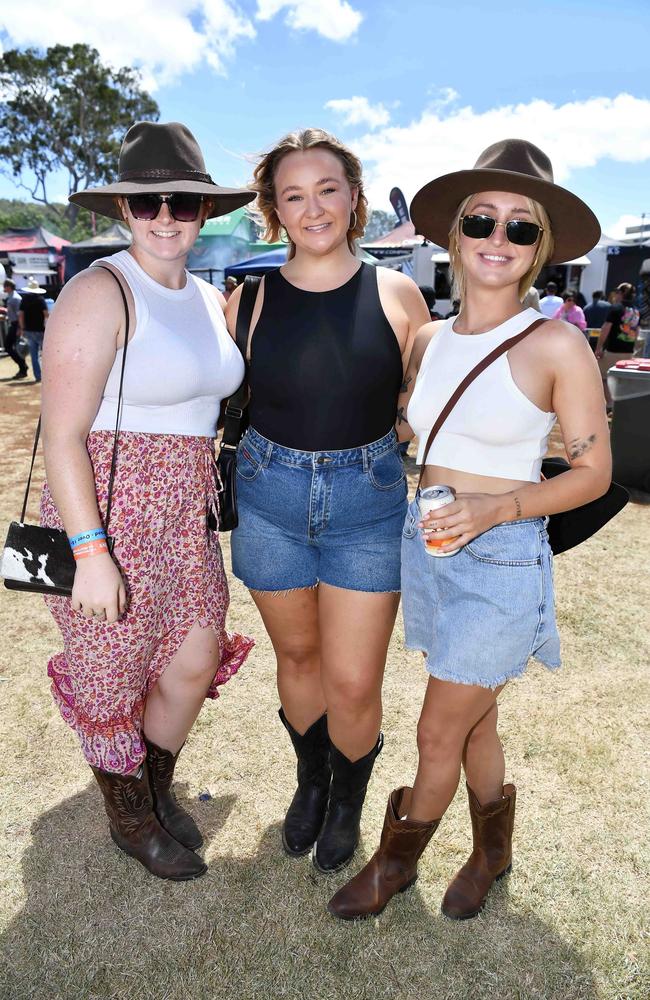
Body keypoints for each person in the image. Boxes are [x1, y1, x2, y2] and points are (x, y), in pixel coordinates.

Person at [329, 138, 610, 921]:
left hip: (503, 564)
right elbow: (417, 431)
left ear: (540, 248)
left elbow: (591, 474)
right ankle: (494, 849)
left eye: (522, 228)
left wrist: (494, 507)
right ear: (454, 235)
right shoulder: (427, 340)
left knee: (434, 731)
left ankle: (393, 867)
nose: (499, 238)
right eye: (482, 220)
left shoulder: (557, 345)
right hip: (428, 553)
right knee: (474, 716)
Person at [39, 121, 255, 881]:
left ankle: (153, 790)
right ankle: (130, 818)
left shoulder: (209, 295)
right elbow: (63, 435)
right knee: (112, 671)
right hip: (108, 505)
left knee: (193, 659)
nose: (166, 217)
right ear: (124, 211)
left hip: (186, 514)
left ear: (205, 212)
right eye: (148, 202)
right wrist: (91, 554)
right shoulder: (98, 292)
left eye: (183, 203)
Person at [226, 128, 430, 874]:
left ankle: (348, 797)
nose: (312, 207)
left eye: (327, 189)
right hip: (269, 494)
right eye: (293, 195)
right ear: (274, 210)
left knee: (352, 677)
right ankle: (311, 782)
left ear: (354, 198)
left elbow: (427, 398)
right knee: (301, 656)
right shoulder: (245, 301)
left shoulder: (398, 292)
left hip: (367, 500)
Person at [595, 282, 640, 404]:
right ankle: (618, 405)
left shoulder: (615, 308)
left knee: (601, 377)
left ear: (621, 294)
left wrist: (598, 348)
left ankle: (610, 405)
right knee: (621, 380)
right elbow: (637, 331)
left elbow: (606, 328)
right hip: (628, 352)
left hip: (612, 351)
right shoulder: (636, 310)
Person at [18, 276, 49, 382]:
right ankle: (48, 375)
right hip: (40, 330)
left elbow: (20, 315)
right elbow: (46, 314)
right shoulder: (40, 300)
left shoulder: (24, 300)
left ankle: (38, 376)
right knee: (45, 354)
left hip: (29, 331)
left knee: (34, 355)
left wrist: (22, 328)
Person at [1, 278, 27, 379]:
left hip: (16, 324)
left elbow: (20, 314)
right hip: (14, 324)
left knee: (11, 347)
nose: (4, 288)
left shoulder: (15, 298)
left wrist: (20, 328)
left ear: (9, 287)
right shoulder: (12, 297)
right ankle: (23, 367)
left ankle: (23, 367)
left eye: (5, 286)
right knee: (13, 347)